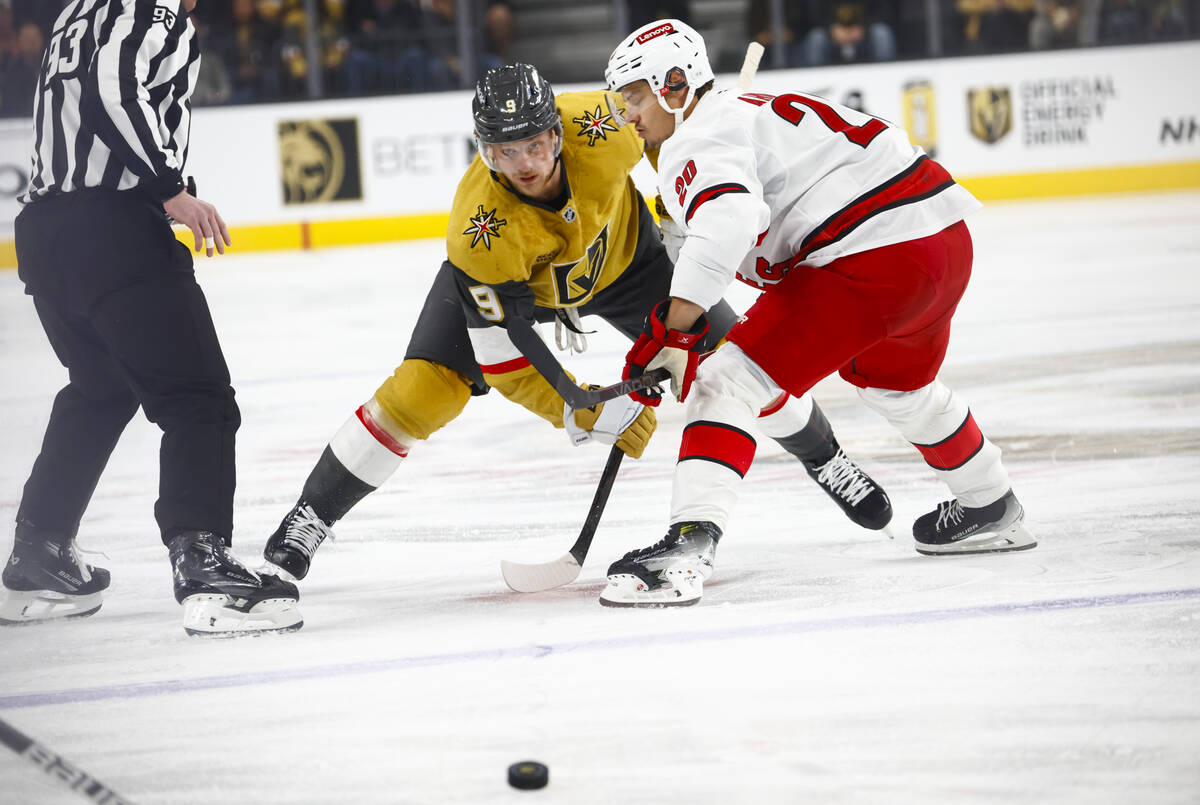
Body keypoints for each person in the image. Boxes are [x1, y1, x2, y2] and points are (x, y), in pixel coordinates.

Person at [261, 63, 892, 585]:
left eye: (535, 143)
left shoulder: (603, 125)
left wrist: (682, 207)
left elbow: (674, 140)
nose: (525, 161)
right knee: (424, 389)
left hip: (630, 265)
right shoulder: (478, 231)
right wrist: (576, 405)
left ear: (558, 133)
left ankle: (827, 459)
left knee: (742, 358)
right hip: (521, 296)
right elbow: (505, 361)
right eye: (505, 151)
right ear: (485, 150)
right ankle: (309, 517)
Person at [600, 19, 1037, 607]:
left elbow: (729, 219)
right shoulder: (749, 109)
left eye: (634, 96)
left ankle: (686, 548)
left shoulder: (695, 139)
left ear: (673, 85)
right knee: (899, 387)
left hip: (871, 257)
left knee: (725, 382)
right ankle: (990, 503)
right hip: (942, 238)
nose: (628, 113)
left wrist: (676, 331)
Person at [0, 0, 302, 636]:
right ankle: (204, 566)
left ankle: (38, 555)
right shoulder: (150, 10)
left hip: (47, 234)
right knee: (199, 401)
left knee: (100, 388)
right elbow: (109, 89)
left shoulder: (77, 11)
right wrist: (170, 188)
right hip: (111, 231)